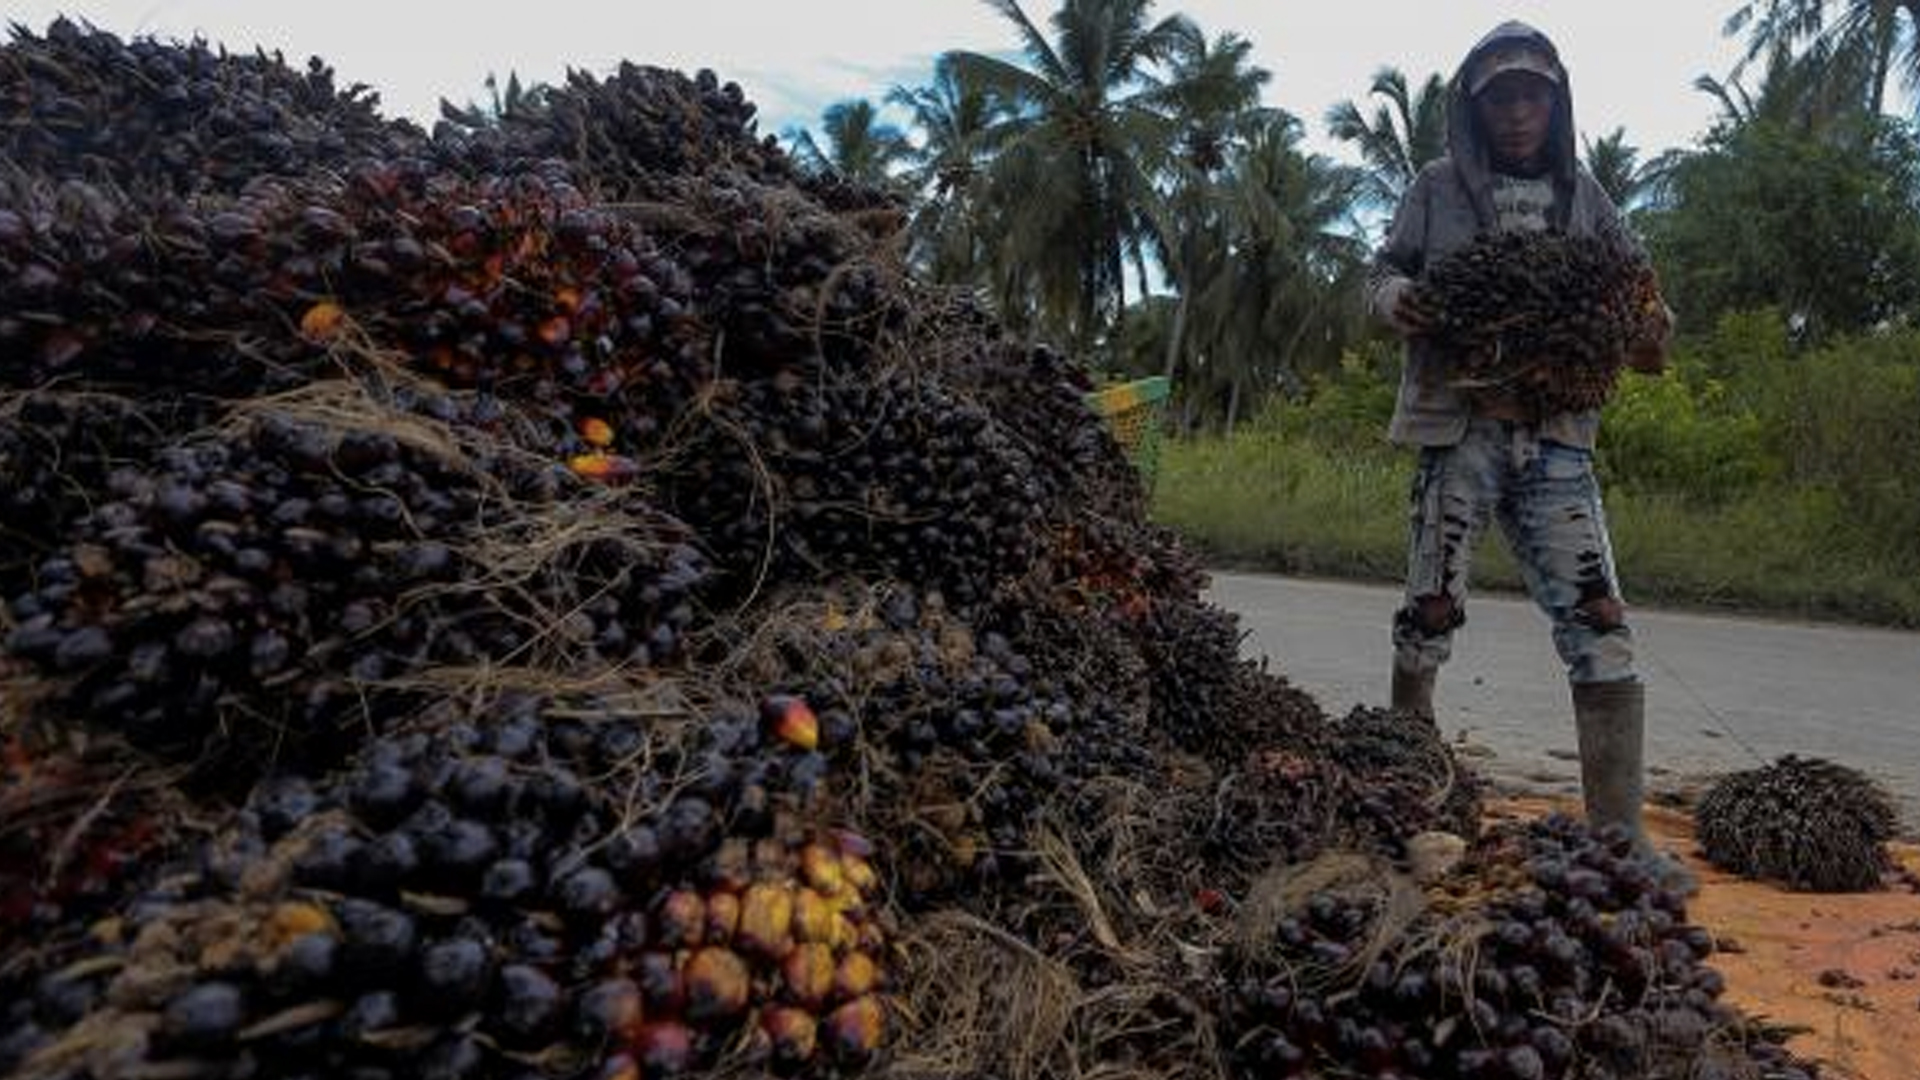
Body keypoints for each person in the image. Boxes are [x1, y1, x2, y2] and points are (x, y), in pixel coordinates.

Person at [1365, 21, 1689, 887]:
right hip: (1459, 429)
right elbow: (1381, 273)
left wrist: (1652, 327)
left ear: (1556, 103)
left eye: (1532, 97)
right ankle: (1408, 803)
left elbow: (1643, 299)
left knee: (1602, 624)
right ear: (1475, 109)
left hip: (1555, 442)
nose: (1516, 113)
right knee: (1430, 612)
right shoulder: (1434, 187)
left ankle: (1620, 838)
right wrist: (1400, 299)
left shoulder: (1587, 196)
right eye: (1501, 98)